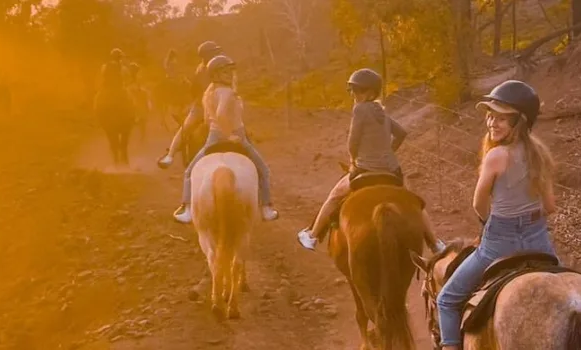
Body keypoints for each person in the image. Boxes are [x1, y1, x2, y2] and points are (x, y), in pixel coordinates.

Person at [434, 80, 558, 350]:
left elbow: (478, 203)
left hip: (498, 244)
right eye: (490, 116)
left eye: (502, 118)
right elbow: (550, 206)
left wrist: (492, 222)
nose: (492, 122)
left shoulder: (495, 156)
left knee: (446, 299)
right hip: (538, 241)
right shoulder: (541, 153)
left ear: (520, 122)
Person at [296, 68, 446, 254]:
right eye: (353, 90)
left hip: (364, 170)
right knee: (415, 203)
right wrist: (388, 151)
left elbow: (353, 141)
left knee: (334, 197)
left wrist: (353, 159)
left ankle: (313, 236)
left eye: (358, 90)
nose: (354, 94)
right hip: (392, 171)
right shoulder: (382, 113)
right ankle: (435, 244)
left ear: (371, 92)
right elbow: (401, 134)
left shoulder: (359, 109)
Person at [171, 55, 279, 223]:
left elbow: (208, 119)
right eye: (225, 72)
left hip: (213, 137)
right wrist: (229, 134)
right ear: (215, 74)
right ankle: (266, 208)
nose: (229, 74)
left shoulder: (208, 92)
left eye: (230, 71)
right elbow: (221, 113)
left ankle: (187, 209)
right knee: (263, 170)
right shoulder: (227, 92)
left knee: (189, 172)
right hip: (236, 134)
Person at [157, 41, 223, 168]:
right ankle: (170, 155)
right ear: (206, 55)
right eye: (214, 52)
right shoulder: (202, 70)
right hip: (202, 107)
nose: (217, 54)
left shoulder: (218, 67)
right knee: (185, 128)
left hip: (218, 104)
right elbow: (197, 90)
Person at [94, 48, 134, 167]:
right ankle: (133, 117)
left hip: (106, 90)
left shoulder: (104, 66)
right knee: (131, 101)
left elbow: (101, 77)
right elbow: (127, 78)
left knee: (97, 101)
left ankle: (99, 118)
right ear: (120, 58)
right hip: (120, 90)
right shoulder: (123, 68)